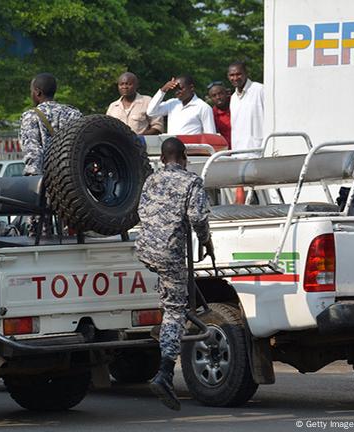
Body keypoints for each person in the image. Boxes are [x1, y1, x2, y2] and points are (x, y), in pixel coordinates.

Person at [135, 138, 214, 411]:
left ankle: (165, 315)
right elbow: (197, 218)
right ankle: (165, 373)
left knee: (169, 294)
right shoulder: (191, 182)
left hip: (145, 250)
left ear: (163, 158)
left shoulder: (151, 180)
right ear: (183, 157)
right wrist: (207, 241)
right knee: (175, 311)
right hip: (170, 254)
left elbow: (142, 211)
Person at [19, 73, 82, 176]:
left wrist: (33, 181)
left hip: (49, 182)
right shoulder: (73, 113)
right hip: (74, 180)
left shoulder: (31, 116)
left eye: (32, 91)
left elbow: (33, 152)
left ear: (38, 92)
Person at [147, 75, 217, 135]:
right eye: (175, 89)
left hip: (192, 149)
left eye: (180, 89)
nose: (177, 92)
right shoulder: (172, 103)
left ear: (191, 88)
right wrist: (163, 90)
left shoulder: (203, 107)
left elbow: (210, 134)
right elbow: (151, 112)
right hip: (173, 148)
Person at [227, 61, 264, 154]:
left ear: (246, 73)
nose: (235, 78)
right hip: (238, 152)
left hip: (258, 151)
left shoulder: (260, 90)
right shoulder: (233, 97)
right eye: (232, 75)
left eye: (238, 74)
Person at [207, 81, 231, 148]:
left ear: (227, 93)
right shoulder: (212, 114)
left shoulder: (237, 105)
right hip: (226, 151)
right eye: (214, 95)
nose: (218, 97)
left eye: (220, 94)